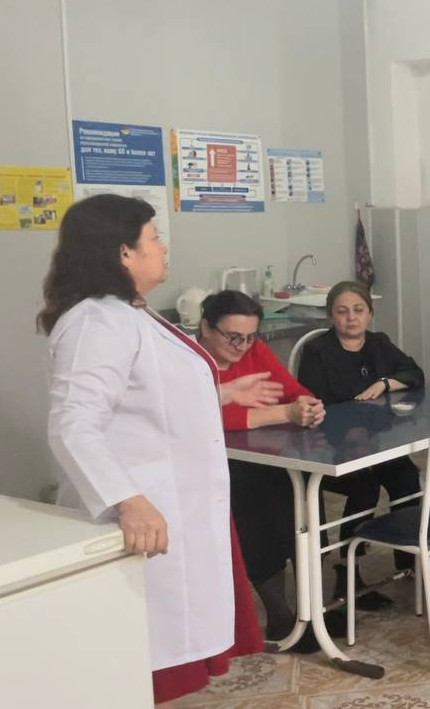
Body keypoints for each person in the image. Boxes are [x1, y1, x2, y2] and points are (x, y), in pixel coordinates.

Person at [42, 194, 269, 704]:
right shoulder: (96, 322)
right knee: (131, 661)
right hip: (144, 514)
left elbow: (151, 396)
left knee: (165, 646)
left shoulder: (130, 314)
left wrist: (223, 393)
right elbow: (73, 424)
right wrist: (129, 500)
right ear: (124, 252)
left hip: (179, 508)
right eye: (154, 238)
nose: (163, 248)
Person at [196, 290, 328, 649]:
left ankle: (312, 607)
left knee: (303, 500)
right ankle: (279, 614)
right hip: (218, 466)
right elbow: (209, 418)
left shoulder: (256, 351)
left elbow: (292, 390)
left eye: (249, 337)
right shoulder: (190, 361)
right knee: (253, 511)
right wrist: (280, 414)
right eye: (232, 337)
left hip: (269, 456)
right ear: (205, 326)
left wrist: (307, 405)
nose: (241, 346)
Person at [297, 280, 425, 582]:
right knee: (365, 485)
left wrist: (385, 383)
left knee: (406, 476)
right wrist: (352, 435)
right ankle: (347, 570)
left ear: (370, 313)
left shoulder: (379, 343)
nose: (351, 318)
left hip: (373, 444)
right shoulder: (317, 351)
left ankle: (407, 559)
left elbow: (414, 373)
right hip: (333, 446)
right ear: (331, 315)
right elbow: (313, 403)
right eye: (342, 311)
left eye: (358, 310)